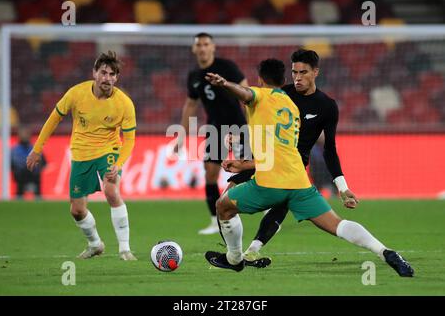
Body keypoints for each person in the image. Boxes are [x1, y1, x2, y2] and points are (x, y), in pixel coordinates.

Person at [204, 58, 414, 277]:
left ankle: (234, 259)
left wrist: (224, 84)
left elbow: (247, 94)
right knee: (338, 225)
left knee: (223, 206)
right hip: (299, 181)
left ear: (259, 80)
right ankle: (384, 251)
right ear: (285, 78)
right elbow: (280, 152)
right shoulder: (291, 107)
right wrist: (245, 164)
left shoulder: (261, 95)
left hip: (270, 182)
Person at [225, 49, 359, 267]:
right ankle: (234, 254)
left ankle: (252, 251)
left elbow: (330, 150)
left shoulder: (327, 106)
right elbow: (259, 118)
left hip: (292, 167)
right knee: (226, 199)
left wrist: (342, 187)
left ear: (316, 72)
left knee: (281, 204)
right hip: (264, 158)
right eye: (294, 72)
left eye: (303, 72)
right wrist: (238, 136)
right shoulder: (281, 94)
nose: (297, 77)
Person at [26, 51, 137, 261]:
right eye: (103, 72)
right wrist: (37, 148)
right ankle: (95, 244)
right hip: (80, 153)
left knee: (111, 190)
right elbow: (53, 119)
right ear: (94, 73)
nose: (107, 78)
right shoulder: (76, 94)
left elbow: (130, 140)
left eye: (112, 74)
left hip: (109, 150)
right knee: (77, 210)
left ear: (117, 78)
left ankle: (125, 249)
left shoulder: (124, 103)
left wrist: (119, 163)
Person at [175, 32, 249, 235]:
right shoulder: (194, 76)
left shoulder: (227, 67)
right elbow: (190, 105)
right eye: (198, 44)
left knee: (251, 170)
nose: (202, 48)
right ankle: (216, 221)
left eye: (206, 44)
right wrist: (181, 135)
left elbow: (247, 93)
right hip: (215, 129)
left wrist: (252, 126)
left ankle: (269, 210)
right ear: (194, 49)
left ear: (213, 47)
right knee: (210, 173)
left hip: (239, 126)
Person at [11, 126, 46, 199]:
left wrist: (36, 169)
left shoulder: (36, 150)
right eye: (23, 134)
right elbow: (11, 165)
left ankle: (38, 201)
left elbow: (44, 163)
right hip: (20, 178)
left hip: (34, 176)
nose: (25, 136)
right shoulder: (14, 150)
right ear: (19, 136)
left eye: (26, 134)